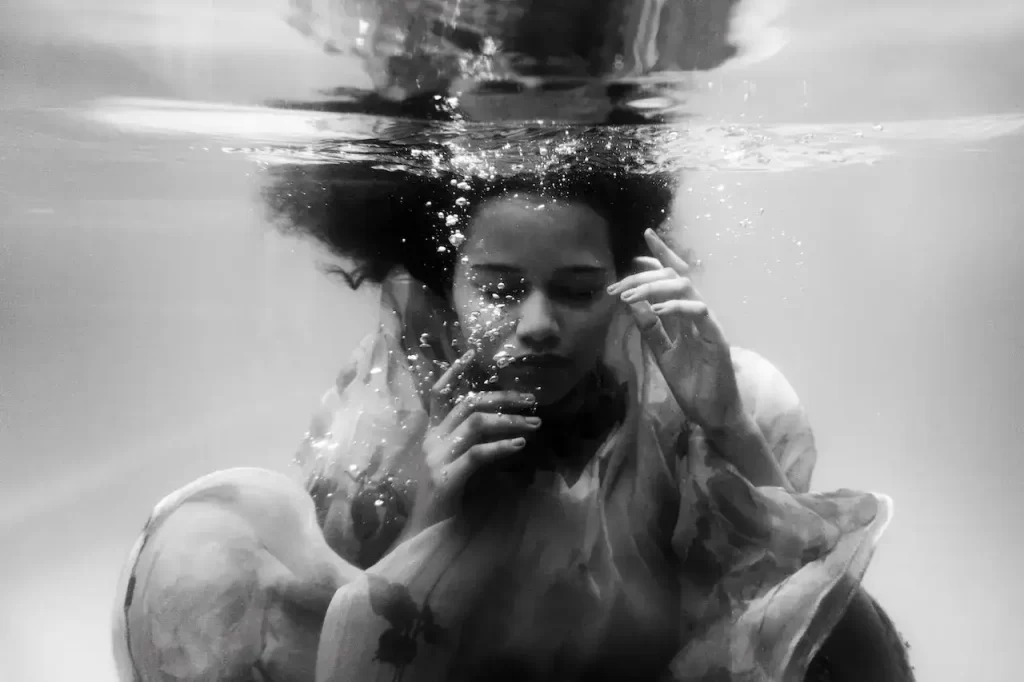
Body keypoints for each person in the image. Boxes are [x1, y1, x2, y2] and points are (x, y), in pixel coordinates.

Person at [112, 163, 914, 682]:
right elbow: (349, 646)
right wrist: (434, 513)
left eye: (575, 289)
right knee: (208, 564)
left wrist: (727, 428)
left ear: (628, 288)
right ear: (448, 289)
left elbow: (773, 620)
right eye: (497, 287)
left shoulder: (710, 397)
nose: (536, 324)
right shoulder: (383, 423)